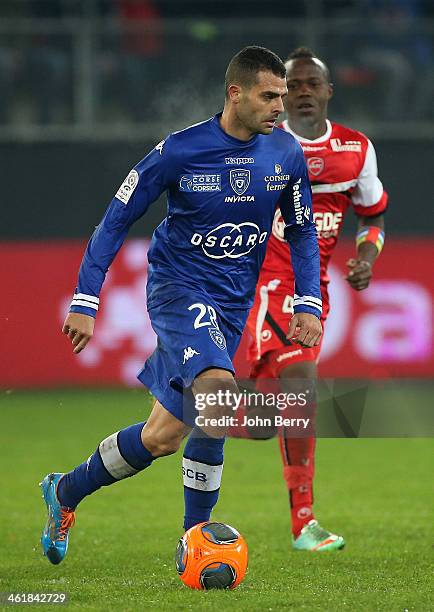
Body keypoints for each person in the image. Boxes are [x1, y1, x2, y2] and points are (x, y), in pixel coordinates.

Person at [40, 46, 323, 565]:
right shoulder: (180, 151)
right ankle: (196, 542)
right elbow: (116, 219)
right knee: (218, 395)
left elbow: (303, 231)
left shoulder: (285, 154)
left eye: (282, 95)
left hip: (232, 305)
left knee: (163, 436)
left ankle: (63, 493)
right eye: (268, 95)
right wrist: (85, 298)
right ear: (234, 93)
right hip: (179, 290)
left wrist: (310, 300)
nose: (280, 106)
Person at [230, 47, 388, 551]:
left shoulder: (356, 150)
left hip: (312, 290)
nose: (300, 93)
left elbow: (373, 216)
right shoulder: (261, 145)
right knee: (301, 389)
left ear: (327, 92)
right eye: (290, 85)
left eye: (309, 84)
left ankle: (189, 410)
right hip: (265, 285)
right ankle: (304, 523)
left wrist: (366, 257)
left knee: (264, 421)